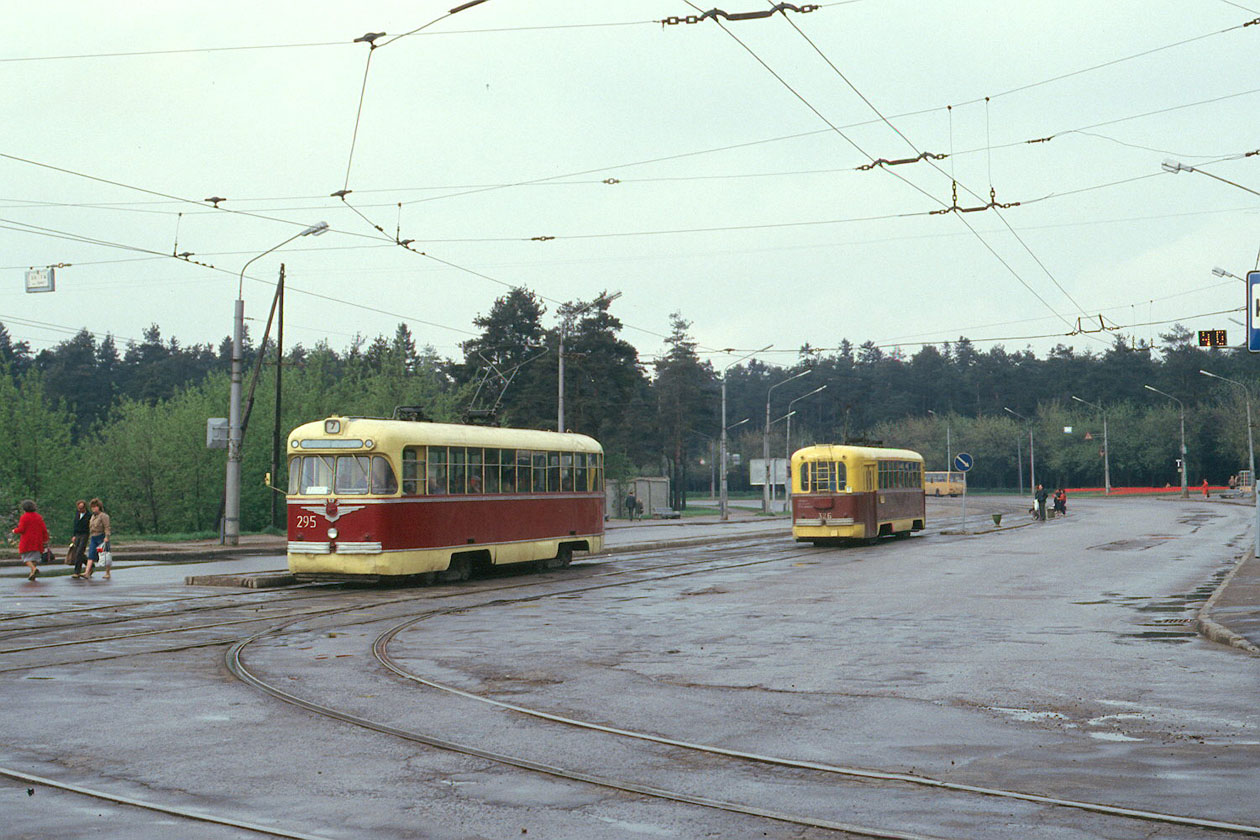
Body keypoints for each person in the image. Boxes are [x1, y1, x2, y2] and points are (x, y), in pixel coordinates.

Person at [12, 499, 50, 582]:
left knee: (26, 558)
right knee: (34, 558)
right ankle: (32, 574)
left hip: (27, 540)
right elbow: (44, 529)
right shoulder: (38, 516)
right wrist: (45, 539)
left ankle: (33, 569)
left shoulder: (24, 517)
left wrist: (15, 530)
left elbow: (22, 529)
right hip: (37, 540)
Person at [83, 497, 112, 580]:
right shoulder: (92, 517)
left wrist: (107, 537)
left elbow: (107, 527)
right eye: (92, 507)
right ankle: (87, 572)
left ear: (99, 507)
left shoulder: (104, 516)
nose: (94, 509)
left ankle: (107, 572)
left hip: (101, 538)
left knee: (105, 555)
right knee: (91, 555)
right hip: (93, 538)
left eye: (95, 507)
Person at [67, 499, 91, 579]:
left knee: (79, 552)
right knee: (77, 551)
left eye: (81, 508)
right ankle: (90, 565)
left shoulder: (89, 515)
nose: (80, 510)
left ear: (85, 508)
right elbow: (75, 525)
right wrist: (74, 535)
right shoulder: (77, 514)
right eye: (79, 508)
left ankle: (77, 571)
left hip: (85, 534)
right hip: (77, 534)